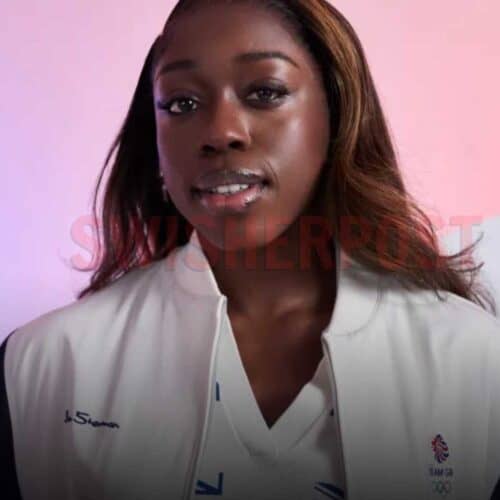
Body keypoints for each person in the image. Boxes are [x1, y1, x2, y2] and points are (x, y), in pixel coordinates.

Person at [2, 0, 500, 499]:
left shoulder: (476, 361)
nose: (221, 132)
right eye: (182, 103)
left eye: (265, 92)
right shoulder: (42, 367)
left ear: (337, 116)